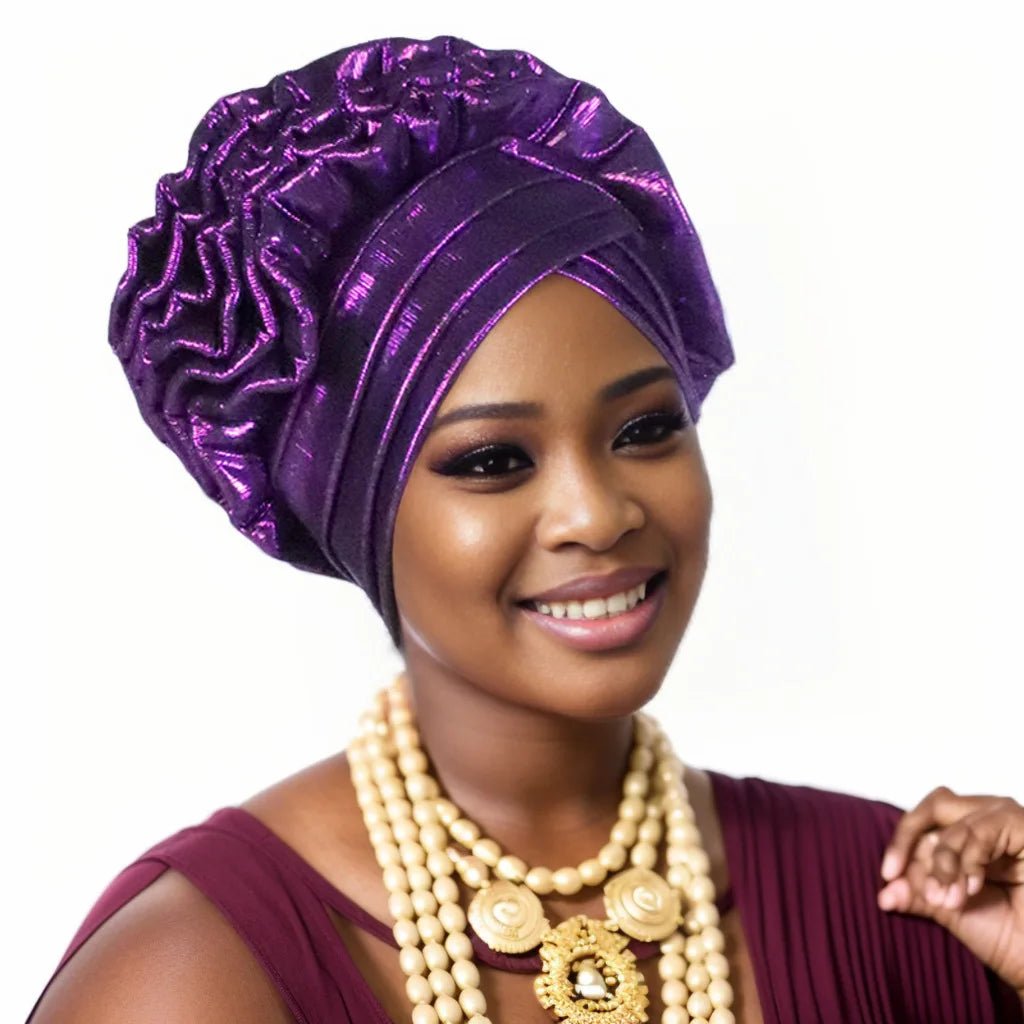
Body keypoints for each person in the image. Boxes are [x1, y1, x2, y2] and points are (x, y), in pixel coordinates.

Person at [28, 34, 1024, 1024]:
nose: (598, 513)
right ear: (355, 512)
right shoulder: (188, 977)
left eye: (645, 429)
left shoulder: (907, 907)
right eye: (493, 461)